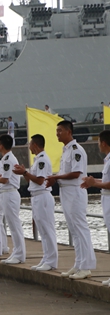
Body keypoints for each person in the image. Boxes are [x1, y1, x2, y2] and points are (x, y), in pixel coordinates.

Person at [46, 120, 95, 279]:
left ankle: (86, 266)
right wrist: (57, 178)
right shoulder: (66, 150)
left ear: (69, 131)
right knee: (73, 229)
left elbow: (76, 173)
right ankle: (79, 263)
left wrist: (55, 176)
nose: (57, 133)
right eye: (57, 130)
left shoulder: (76, 150)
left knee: (80, 228)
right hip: (66, 192)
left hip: (75, 191)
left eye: (60, 130)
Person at [13, 134, 57, 272]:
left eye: (30, 144)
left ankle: (51, 260)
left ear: (35, 145)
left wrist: (24, 171)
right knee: (42, 230)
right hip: (36, 196)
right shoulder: (37, 160)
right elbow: (32, 181)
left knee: (47, 229)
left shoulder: (42, 160)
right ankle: (46, 258)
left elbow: (39, 180)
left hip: (43, 196)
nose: (29, 146)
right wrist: (25, 173)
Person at [0, 135, 26, 264]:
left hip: (10, 193)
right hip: (6, 194)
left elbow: (5, 180)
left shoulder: (8, 159)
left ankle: (20, 254)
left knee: (14, 225)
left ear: (1, 145)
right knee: (12, 225)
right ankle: (17, 252)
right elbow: (3, 175)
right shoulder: (6, 158)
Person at [81, 130, 110, 285]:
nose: (98, 145)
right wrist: (94, 181)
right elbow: (105, 180)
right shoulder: (108, 160)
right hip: (105, 198)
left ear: (104, 143)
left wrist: (95, 183)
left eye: (99, 142)